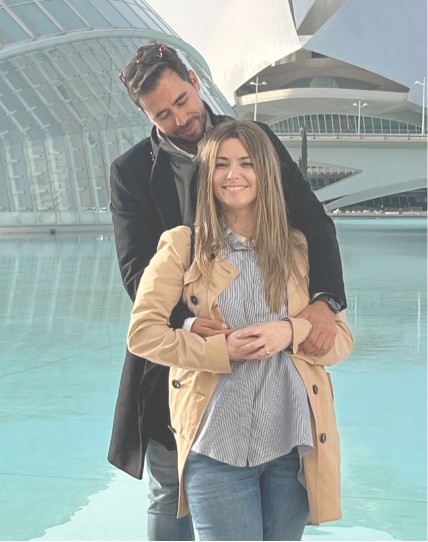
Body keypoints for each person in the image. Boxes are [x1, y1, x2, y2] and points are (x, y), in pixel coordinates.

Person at [108, 42, 346, 541]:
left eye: (181, 101)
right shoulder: (130, 173)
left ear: (195, 81)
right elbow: (136, 269)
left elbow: (312, 220)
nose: (179, 119)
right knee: (169, 488)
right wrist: (189, 323)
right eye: (162, 114)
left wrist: (325, 302)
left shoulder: (254, 142)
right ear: (145, 115)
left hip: (271, 367)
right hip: (181, 348)